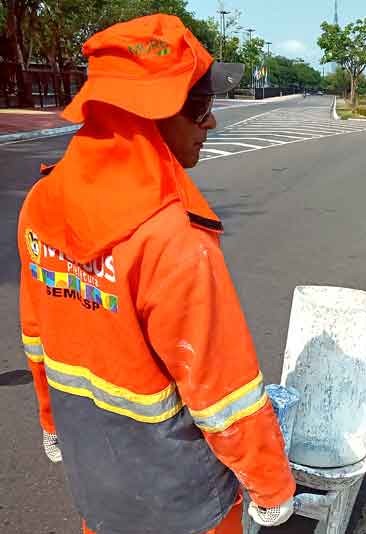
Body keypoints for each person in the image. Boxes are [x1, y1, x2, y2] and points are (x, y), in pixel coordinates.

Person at [18, 14, 296, 533]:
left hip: (96, 490)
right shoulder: (174, 241)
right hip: (183, 505)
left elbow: (38, 339)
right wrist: (272, 486)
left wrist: (51, 422)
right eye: (200, 107)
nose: (211, 123)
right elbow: (223, 392)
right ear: (147, 116)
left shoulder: (39, 205)